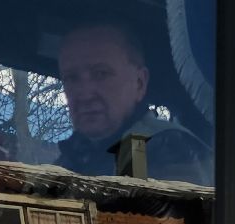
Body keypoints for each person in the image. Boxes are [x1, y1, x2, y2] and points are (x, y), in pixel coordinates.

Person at [54, 23, 212, 185]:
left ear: (139, 83)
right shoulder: (68, 161)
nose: (85, 94)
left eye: (101, 74)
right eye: (72, 78)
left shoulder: (167, 148)